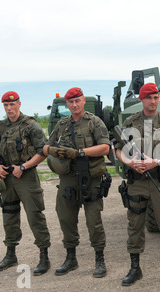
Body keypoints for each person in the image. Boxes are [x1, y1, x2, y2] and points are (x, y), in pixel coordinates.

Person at [114, 83, 160, 286]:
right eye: (149, 98)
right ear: (141, 100)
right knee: (134, 225)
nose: (153, 101)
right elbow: (118, 149)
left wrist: (156, 162)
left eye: (156, 97)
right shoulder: (130, 121)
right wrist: (130, 163)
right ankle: (135, 268)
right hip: (137, 181)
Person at [43, 87, 111, 278]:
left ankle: (99, 259)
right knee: (65, 218)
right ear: (67, 104)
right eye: (71, 102)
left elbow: (105, 147)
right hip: (68, 179)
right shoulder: (62, 124)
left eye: (77, 101)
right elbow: (47, 146)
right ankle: (71, 258)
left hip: (91, 178)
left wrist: (80, 153)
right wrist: (57, 152)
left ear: (83, 102)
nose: (74, 105)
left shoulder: (94, 122)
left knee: (93, 221)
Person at [0, 91, 51, 276]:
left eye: (12, 105)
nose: (9, 109)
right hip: (6, 177)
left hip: (26, 176)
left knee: (34, 216)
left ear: (19, 104)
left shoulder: (30, 125)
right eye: (6, 105)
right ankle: (11, 255)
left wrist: (24, 166)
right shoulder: (1, 126)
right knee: (9, 215)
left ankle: (44, 257)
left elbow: (43, 151)